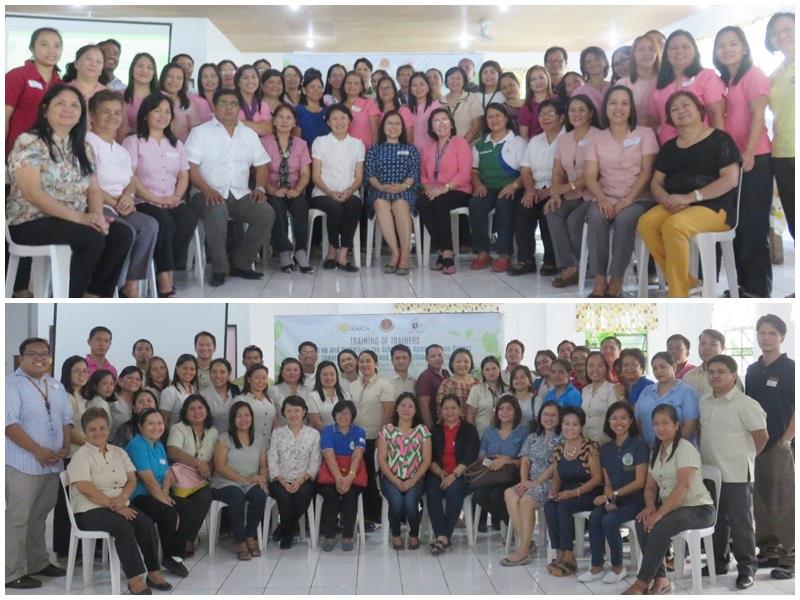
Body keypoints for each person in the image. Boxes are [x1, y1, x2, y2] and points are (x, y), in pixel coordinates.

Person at [6, 84, 133, 298]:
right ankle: (70, 297)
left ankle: (93, 295)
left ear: (81, 114)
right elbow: (33, 194)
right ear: (45, 110)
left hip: (71, 220)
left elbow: (93, 190)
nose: (68, 109)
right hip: (30, 220)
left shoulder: (83, 148)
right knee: (91, 238)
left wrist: (97, 217)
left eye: (75, 105)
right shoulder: (29, 142)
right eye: (60, 103)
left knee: (121, 234)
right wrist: (82, 219)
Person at [637, 91, 741, 297]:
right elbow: (656, 182)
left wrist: (691, 197)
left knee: (674, 226)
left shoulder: (720, 139)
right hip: (675, 205)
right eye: (674, 109)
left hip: (714, 207)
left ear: (699, 109)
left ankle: (677, 293)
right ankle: (687, 281)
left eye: (686, 105)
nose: (681, 111)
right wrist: (665, 199)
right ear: (670, 119)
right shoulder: (669, 148)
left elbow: (730, 179)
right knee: (646, 223)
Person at [66, 407, 170, 594]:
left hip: (120, 504)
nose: (98, 433)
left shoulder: (118, 452)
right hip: (89, 509)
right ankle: (135, 578)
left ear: (109, 429)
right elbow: (85, 488)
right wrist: (114, 505)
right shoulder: (81, 456)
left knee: (145, 522)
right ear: (85, 432)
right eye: (93, 429)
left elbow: (132, 479)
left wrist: (122, 499)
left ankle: (153, 572)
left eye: (102, 428)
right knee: (123, 526)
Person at [621, 404, 715, 595]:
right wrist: (650, 508)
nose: (660, 428)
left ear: (677, 425)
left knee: (660, 525)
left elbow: (683, 487)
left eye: (665, 423)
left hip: (698, 509)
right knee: (643, 521)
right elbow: (649, 487)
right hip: (674, 508)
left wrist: (659, 513)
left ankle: (641, 582)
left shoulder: (685, 448)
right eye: (655, 424)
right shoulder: (656, 450)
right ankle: (661, 578)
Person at [186, 88, 275, 287]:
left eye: (234, 104)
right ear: (214, 107)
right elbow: (190, 168)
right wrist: (207, 190)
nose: (229, 108)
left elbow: (261, 166)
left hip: (239, 194)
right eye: (223, 103)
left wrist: (260, 188)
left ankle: (241, 264)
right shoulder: (200, 132)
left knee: (265, 213)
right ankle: (219, 268)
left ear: (239, 108)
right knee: (217, 210)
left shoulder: (248, 134)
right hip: (204, 192)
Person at [5, 338, 71, 589]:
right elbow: (9, 424)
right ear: (21, 357)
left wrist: (64, 447)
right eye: (32, 354)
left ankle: (37, 562)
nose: (39, 358)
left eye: (44, 354)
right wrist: (38, 451)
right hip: (24, 464)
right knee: (18, 519)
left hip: (52, 464)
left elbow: (66, 419)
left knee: (40, 516)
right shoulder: (11, 384)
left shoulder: (54, 384)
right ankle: (11, 572)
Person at [698, 354, 768, 588]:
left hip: (737, 473)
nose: (715, 376)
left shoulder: (744, 403)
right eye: (711, 372)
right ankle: (718, 562)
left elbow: (761, 437)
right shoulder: (705, 400)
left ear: (733, 375)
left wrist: (745, 457)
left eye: (721, 371)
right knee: (716, 522)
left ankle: (747, 568)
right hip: (711, 474)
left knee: (741, 523)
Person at [714, 26, 774, 298]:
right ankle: (742, 285)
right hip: (736, 161)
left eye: (733, 44)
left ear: (745, 47)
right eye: (722, 45)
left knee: (754, 226)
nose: (727, 49)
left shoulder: (754, 75)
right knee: (739, 225)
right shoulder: (728, 80)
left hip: (755, 158)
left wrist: (748, 153)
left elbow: (758, 118)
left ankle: (758, 289)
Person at [584, 85, 658, 298]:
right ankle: (600, 280)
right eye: (613, 103)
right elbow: (590, 175)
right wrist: (602, 199)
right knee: (596, 217)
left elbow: (647, 171)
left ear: (631, 108)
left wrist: (628, 199)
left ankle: (617, 280)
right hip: (606, 196)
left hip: (639, 198)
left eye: (624, 103)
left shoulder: (645, 133)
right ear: (605, 108)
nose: (619, 108)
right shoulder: (597, 138)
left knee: (625, 219)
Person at [123, 92, 198, 297]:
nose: (163, 116)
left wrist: (176, 197)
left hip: (171, 198)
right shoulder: (133, 142)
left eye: (167, 112)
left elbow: (184, 175)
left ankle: (167, 264)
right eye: (157, 111)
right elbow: (131, 177)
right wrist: (156, 199)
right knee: (165, 222)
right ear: (146, 115)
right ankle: (165, 276)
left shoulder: (177, 145)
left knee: (188, 218)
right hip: (143, 200)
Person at [87, 90, 158, 299]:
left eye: (117, 112)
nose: (112, 117)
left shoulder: (120, 150)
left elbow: (130, 181)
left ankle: (131, 283)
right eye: (105, 112)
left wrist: (128, 196)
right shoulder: (87, 143)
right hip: (99, 204)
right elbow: (87, 185)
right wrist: (115, 201)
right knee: (126, 231)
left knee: (149, 226)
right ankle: (108, 285)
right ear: (92, 115)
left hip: (121, 203)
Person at [746, 314, 795, 578]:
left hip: (779, 444)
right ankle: (768, 550)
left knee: (783, 499)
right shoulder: (753, 370)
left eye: (772, 333)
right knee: (761, 499)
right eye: (762, 332)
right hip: (756, 445)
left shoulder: (790, 369)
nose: (766, 337)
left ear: (781, 337)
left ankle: (790, 555)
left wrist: (786, 440)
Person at [577, 402, 648, 584]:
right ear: (608, 421)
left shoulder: (638, 445)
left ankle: (618, 567)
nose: (619, 422)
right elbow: (607, 482)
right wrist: (609, 498)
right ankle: (597, 567)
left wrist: (612, 496)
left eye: (624, 418)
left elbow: (640, 482)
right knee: (595, 517)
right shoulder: (606, 449)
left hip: (635, 502)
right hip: (615, 499)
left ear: (631, 421)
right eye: (614, 418)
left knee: (609, 521)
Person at [546, 94, 602, 288]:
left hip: (595, 194)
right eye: (572, 110)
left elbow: (594, 173)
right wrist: (555, 193)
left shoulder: (599, 136)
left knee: (574, 220)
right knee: (552, 210)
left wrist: (567, 187)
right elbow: (557, 170)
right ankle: (569, 266)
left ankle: (587, 265)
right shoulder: (564, 140)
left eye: (581, 110)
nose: (576, 114)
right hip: (572, 194)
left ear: (591, 114)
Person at [543, 406, 603, 577]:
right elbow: (557, 476)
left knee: (563, 507)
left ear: (581, 427)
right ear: (561, 426)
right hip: (567, 491)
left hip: (589, 491)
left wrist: (575, 493)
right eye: (566, 424)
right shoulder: (559, 448)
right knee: (549, 506)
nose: (570, 428)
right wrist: (554, 492)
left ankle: (570, 556)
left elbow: (597, 479)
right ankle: (559, 552)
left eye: (575, 424)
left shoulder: (590, 447)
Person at [502, 400, 562, 566]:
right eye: (545, 414)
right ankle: (528, 543)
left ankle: (523, 551)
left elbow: (555, 465)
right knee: (510, 493)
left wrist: (535, 482)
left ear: (559, 418)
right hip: (530, 481)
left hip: (550, 482)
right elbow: (525, 461)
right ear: (539, 417)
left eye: (553, 415)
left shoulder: (562, 437)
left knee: (526, 501)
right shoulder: (532, 437)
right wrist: (524, 482)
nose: (548, 418)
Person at [468, 102, 526, 273]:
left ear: (506, 118)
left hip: (511, 187)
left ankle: (504, 254)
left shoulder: (517, 142)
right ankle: (483, 252)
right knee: (476, 204)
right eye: (490, 116)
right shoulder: (480, 144)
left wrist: (514, 186)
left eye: (498, 115)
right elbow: (474, 171)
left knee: (504, 204)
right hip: (488, 187)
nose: (494, 120)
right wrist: (478, 184)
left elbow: (526, 172)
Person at [416, 107, 474, 274]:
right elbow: (423, 175)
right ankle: (442, 248)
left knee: (440, 202)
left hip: (458, 189)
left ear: (451, 124)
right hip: (435, 191)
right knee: (422, 201)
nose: (441, 124)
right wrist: (427, 186)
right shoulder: (428, 149)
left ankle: (446, 252)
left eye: (444, 120)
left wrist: (445, 188)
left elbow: (465, 172)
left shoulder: (460, 143)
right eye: (436, 121)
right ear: (431, 127)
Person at [512, 98, 564, 276]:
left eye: (551, 114)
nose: (546, 118)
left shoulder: (568, 139)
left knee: (547, 210)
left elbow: (570, 174)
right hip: (536, 188)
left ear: (562, 117)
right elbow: (525, 169)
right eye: (542, 114)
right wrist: (530, 190)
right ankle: (526, 259)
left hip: (559, 190)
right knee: (524, 207)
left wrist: (549, 192)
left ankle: (552, 259)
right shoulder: (535, 140)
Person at [310, 103, 365, 272]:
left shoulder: (357, 144)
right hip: (322, 193)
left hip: (349, 191)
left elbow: (359, 176)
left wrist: (349, 191)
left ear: (350, 120)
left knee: (355, 205)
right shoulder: (320, 142)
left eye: (343, 118)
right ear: (328, 122)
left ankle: (343, 254)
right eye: (334, 118)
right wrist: (330, 193)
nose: (339, 122)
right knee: (334, 207)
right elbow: (316, 176)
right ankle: (332, 251)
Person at [211, 401, 268, 561]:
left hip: (250, 481)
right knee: (236, 496)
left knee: (259, 496)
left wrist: (262, 478)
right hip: (225, 482)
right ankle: (240, 541)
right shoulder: (224, 438)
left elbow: (263, 465)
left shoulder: (258, 439)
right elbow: (220, 467)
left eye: (247, 415)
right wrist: (245, 480)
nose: (244, 419)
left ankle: (250, 535)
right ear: (232, 419)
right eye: (239, 416)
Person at [366, 111, 420, 274]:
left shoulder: (410, 149)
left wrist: (402, 186)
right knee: (380, 203)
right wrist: (381, 187)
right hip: (380, 190)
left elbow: (414, 173)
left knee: (400, 204)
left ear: (402, 128)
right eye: (389, 123)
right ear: (383, 127)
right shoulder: (374, 149)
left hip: (405, 190)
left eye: (397, 124)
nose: (393, 127)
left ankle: (405, 255)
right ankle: (395, 252)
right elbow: (370, 174)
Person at [648, 30, 725, 144]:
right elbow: (654, 120)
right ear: (666, 55)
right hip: (671, 149)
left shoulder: (707, 76)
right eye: (674, 48)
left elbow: (717, 115)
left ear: (694, 52)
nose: (680, 51)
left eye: (686, 47)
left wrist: (721, 146)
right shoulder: (660, 85)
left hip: (703, 145)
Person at [426, 394, 480, 555]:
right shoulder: (434, 430)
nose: (449, 412)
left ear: (460, 410)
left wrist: (453, 475)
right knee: (432, 491)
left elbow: (470, 456)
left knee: (454, 491)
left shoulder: (469, 429)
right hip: (438, 473)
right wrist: (441, 473)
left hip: (461, 474)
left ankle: (442, 537)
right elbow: (430, 457)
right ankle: (443, 536)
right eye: (446, 408)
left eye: (453, 408)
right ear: (441, 411)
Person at [378, 393, 432, 550]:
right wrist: (395, 481)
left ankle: (414, 534)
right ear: (397, 408)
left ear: (416, 410)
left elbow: (427, 460)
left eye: (410, 406)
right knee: (396, 502)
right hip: (390, 479)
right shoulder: (387, 431)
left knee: (410, 503)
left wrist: (412, 481)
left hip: (415, 479)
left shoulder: (422, 431)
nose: (406, 409)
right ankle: (396, 535)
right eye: (403, 405)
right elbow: (381, 460)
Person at [263, 103, 313, 273]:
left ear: (294, 123)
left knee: (300, 207)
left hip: (294, 189)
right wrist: (272, 190)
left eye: (289, 118)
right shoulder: (264, 142)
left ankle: (300, 251)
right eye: (281, 117)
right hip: (272, 188)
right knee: (275, 207)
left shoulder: (301, 144)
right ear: (274, 121)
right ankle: (284, 250)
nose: (285, 121)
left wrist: (297, 190)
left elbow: (305, 173)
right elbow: (259, 171)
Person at [165, 395, 217, 558]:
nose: (197, 412)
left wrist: (208, 467)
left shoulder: (213, 432)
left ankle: (189, 539)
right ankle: (180, 539)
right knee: (187, 502)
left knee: (204, 496)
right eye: (192, 409)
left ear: (207, 410)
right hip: (179, 479)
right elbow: (172, 451)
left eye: (200, 408)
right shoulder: (178, 428)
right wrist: (198, 463)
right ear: (185, 413)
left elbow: (216, 458)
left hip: (202, 480)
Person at [268, 395, 321, 549]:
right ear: (283, 413)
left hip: (305, 479)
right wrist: (282, 481)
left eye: (297, 410)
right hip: (280, 479)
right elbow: (272, 459)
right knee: (284, 498)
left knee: (302, 496)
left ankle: (284, 528)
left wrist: (300, 480)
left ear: (304, 411)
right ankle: (289, 532)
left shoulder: (313, 434)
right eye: (288, 411)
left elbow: (315, 462)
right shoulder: (277, 433)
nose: (293, 414)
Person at [52, 355, 91, 560]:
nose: (82, 374)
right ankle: (65, 549)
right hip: (70, 456)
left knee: (79, 502)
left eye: (85, 371)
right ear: (67, 372)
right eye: (76, 370)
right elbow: (67, 428)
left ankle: (78, 548)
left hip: (82, 457)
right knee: (65, 504)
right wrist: (91, 444)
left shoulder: (83, 397)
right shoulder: (63, 396)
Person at [350, 350, 395, 528]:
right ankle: (363, 517)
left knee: (373, 480)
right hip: (356, 439)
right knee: (359, 478)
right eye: (361, 361)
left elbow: (388, 413)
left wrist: (380, 437)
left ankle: (376, 517)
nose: (364, 364)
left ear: (376, 364)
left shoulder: (385, 385)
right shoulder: (352, 386)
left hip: (376, 439)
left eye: (368, 361)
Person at [6, 27, 63, 158]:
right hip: (17, 154)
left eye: (57, 45)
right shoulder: (16, 76)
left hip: (50, 156)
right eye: (44, 44)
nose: (51, 50)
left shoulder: (61, 85)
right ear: (32, 48)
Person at [318, 400, 366, 552]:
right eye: (339, 413)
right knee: (330, 495)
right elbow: (329, 456)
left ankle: (348, 536)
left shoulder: (359, 431)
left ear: (352, 416)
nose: (343, 416)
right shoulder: (327, 431)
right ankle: (329, 535)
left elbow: (357, 455)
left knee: (350, 495)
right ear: (334, 415)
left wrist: (349, 478)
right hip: (332, 474)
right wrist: (339, 478)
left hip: (353, 473)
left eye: (346, 413)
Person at [473, 396, 526, 532]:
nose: (505, 412)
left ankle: (514, 529)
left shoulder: (522, 432)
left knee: (497, 496)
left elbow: (525, 461)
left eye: (509, 409)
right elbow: (481, 456)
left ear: (516, 411)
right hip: (490, 474)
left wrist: (506, 460)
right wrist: (493, 459)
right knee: (479, 495)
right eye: (501, 409)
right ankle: (507, 522)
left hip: (511, 476)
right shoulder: (489, 432)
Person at [766, 12, 795, 240]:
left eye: (788, 29)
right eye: (775, 32)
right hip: (782, 156)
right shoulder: (774, 75)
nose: (782, 36)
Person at [634, 352, 699, 448]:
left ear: (673, 367)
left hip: (678, 450)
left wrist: (672, 448)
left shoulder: (687, 391)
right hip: (649, 449)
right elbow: (637, 419)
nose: (658, 371)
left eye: (663, 367)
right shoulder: (647, 390)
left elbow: (690, 423)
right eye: (655, 368)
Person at [580, 351, 624, 445]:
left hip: (606, 444)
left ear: (606, 368)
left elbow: (615, 418)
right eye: (591, 366)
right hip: (586, 444)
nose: (595, 369)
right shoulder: (585, 390)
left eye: (600, 366)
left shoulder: (612, 389)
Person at [617, 34, 661, 126]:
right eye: (641, 49)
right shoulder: (622, 84)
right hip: (634, 136)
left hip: (664, 134)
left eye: (651, 49)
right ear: (633, 55)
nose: (646, 53)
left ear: (657, 54)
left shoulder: (664, 81)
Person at [467, 356, 507, 436]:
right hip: (481, 436)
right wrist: (471, 437)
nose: (491, 372)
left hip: (504, 437)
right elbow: (470, 416)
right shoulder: (476, 389)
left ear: (499, 369)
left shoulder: (507, 390)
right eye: (487, 369)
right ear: (483, 372)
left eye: (494, 368)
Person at [121, 53, 159, 137]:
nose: (144, 70)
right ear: (132, 69)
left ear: (154, 73)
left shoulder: (163, 98)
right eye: (140, 66)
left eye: (149, 67)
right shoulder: (119, 96)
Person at [440, 66, 482, 142]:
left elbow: (476, 126)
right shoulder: (441, 101)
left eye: (458, 78)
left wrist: (461, 146)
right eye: (451, 78)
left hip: (468, 146)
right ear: (446, 81)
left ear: (464, 81)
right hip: (446, 147)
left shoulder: (472, 98)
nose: (455, 81)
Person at [239, 364, 277, 447]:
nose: (261, 381)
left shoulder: (269, 400)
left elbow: (274, 423)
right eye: (257, 378)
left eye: (264, 378)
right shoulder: (241, 400)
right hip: (249, 446)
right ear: (249, 379)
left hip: (268, 446)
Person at [436, 347, 480, 419]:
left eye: (466, 361)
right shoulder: (446, 384)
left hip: (476, 427)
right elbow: (440, 410)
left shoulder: (478, 384)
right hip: (453, 427)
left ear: (471, 364)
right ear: (452, 364)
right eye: (458, 361)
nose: (462, 365)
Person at [341, 71, 379, 151]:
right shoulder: (338, 107)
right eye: (348, 83)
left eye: (356, 83)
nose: (352, 86)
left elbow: (375, 131)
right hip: (343, 153)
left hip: (366, 152)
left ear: (361, 87)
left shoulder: (369, 104)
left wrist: (375, 153)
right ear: (344, 86)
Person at [415, 344, 450, 428]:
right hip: (434, 425)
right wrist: (431, 430)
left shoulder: (446, 373)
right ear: (427, 359)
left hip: (446, 422)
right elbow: (424, 407)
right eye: (433, 356)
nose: (437, 358)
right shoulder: (426, 377)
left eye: (439, 355)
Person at [308, 361, 351, 430]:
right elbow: (316, 423)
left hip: (344, 436)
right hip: (323, 437)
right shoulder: (313, 396)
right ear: (319, 377)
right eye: (325, 375)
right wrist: (333, 435)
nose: (329, 377)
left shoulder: (345, 394)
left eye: (332, 374)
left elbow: (350, 417)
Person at [235, 64, 272, 142]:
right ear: (238, 82)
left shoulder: (262, 105)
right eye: (245, 78)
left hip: (257, 148)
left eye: (253, 77)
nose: (250, 81)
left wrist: (238, 123)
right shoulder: (231, 102)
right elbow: (226, 127)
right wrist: (258, 126)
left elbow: (267, 129)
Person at [408, 72, 441, 160]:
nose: (418, 88)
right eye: (414, 85)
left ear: (428, 87)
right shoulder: (406, 110)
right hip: (411, 156)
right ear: (410, 89)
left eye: (422, 84)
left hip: (432, 156)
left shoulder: (437, 107)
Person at [518, 65, 556, 140]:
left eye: (541, 77)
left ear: (548, 79)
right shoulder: (526, 108)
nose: (538, 82)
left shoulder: (557, 100)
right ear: (529, 84)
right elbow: (524, 136)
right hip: (535, 148)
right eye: (533, 79)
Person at [201, 358, 238, 434]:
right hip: (212, 440)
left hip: (236, 441)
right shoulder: (203, 395)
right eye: (214, 372)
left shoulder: (238, 391)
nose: (217, 375)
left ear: (229, 374)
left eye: (222, 372)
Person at [159, 354, 198, 426]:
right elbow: (163, 420)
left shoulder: (195, 392)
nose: (188, 371)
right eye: (184, 368)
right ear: (177, 369)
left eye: (192, 369)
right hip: (174, 434)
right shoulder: (169, 392)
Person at [571, 47, 611, 117]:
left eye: (597, 59)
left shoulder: (614, 87)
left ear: (605, 62)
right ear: (585, 67)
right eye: (588, 62)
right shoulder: (578, 93)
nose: (593, 63)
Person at [268, 357, 309, 425]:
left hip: (304, 433)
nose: (292, 373)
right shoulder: (273, 390)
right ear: (282, 372)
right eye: (288, 370)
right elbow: (271, 416)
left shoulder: (307, 390)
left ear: (300, 372)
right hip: (281, 432)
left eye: (295, 370)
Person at [296, 72, 330, 150]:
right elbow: (296, 140)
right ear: (304, 90)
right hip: (306, 157)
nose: (316, 90)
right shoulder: (298, 110)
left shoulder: (329, 111)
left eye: (319, 87)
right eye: (312, 87)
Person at [158, 64, 191, 143]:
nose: (174, 80)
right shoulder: (153, 99)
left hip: (183, 149)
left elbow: (195, 129)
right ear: (163, 78)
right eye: (170, 77)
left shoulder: (189, 103)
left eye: (179, 78)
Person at [375, 77, 414, 141]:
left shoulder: (404, 111)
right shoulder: (375, 112)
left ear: (394, 90)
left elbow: (409, 139)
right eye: (381, 88)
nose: (385, 91)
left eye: (388, 87)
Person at [188, 63, 219, 128]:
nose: (209, 80)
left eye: (213, 76)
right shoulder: (192, 99)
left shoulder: (227, 98)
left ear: (219, 78)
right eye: (205, 77)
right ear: (200, 80)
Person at [509, 365, 537, 429]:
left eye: (522, 377)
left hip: (529, 437)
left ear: (529, 380)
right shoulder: (506, 396)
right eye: (515, 378)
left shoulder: (536, 399)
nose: (519, 380)